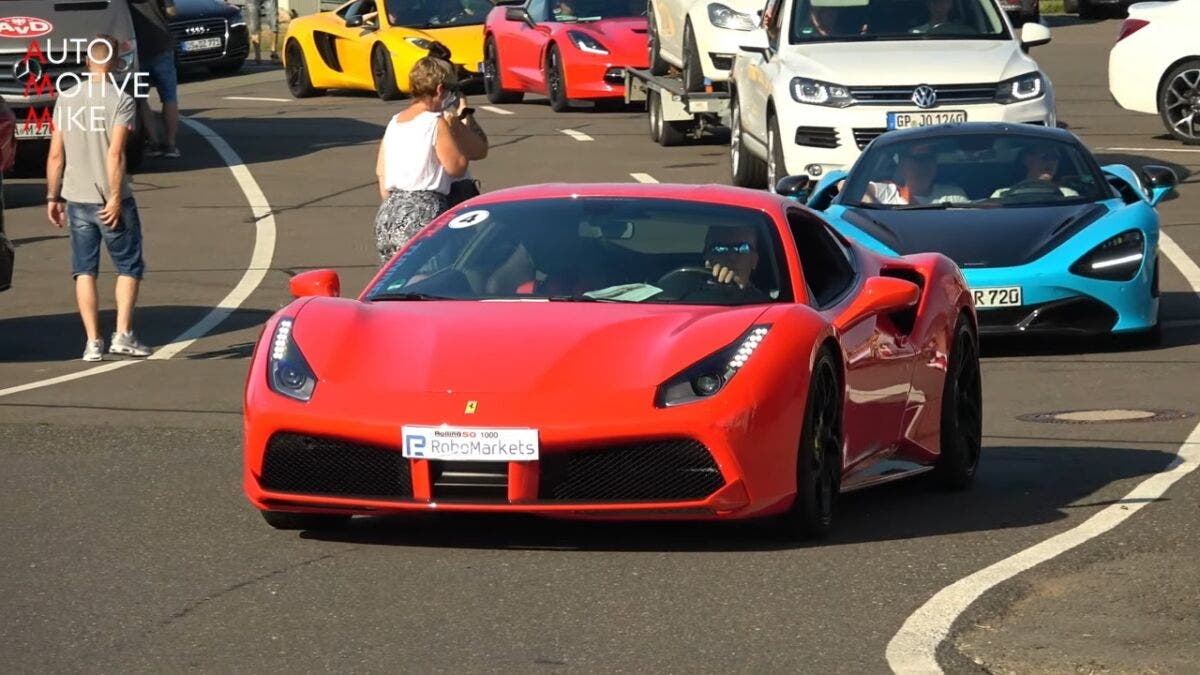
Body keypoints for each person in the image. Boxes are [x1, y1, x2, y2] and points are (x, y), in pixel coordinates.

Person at [46, 35, 153, 361]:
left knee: (84, 270)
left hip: (76, 197)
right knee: (129, 266)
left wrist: (53, 195)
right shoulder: (120, 99)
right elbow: (115, 153)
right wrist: (115, 197)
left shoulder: (67, 98)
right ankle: (123, 333)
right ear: (116, 62)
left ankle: (93, 341)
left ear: (87, 60)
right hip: (109, 199)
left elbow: (55, 154)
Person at [373, 47, 488, 263]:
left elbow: (382, 175)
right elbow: (457, 166)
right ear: (441, 90)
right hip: (424, 212)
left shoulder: (395, 122)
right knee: (431, 276)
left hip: (390, 214)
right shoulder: (435, 122)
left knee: (396, 277)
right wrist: (456, 124)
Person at [129, 0, 181, 158]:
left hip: (138, 48)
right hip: (161, 43)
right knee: (169, 97)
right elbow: (172, 12)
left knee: (141, 98)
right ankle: (171, 144)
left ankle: (154, 143)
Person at [861, 143, 969, 205]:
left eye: (928, 158)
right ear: (902, 164)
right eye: (916, 159)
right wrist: (870, 202)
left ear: (935, 163)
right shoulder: (888, 192)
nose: (923, 166)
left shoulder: (953, 195)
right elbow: (845, 185)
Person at [991, 144, 1080, 198]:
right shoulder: (1002, 194)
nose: (1050, 162)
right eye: (1046, 157)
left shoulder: (1067, 195)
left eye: (1054, 157)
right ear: (1027, 160)